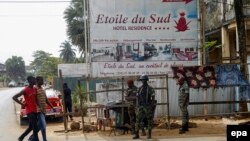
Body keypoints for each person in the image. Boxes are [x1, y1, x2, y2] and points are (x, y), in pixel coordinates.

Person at [12, 76, 39, 141]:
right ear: (30, 81)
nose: (35, 81)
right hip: (29, 111)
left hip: (35, 110)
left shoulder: (35, 89)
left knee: (30, 127)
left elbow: (36, 99)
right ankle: (36, 139)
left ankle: (21, 137)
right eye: (34, 80)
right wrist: (22, 104)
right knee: (35, 127)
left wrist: (40, 107)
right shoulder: (25, 90)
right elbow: (14, 97)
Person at [28, 76, 55, 141]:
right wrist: (38, 107)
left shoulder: (42, 89)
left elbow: (46, 99)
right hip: (39, 111)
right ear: (37, 81)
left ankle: (32, 138)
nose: (42, 82)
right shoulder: (35, 89)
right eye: (41, 80)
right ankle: (44, 139)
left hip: (44, 110)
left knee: (40, 126)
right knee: (43, 125)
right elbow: (33, 100)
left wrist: (52, 107)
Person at [133, 75, 156, 139]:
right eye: (142, 80)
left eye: (144, 80)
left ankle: (149, 134)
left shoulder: (150, 89)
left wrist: (151, 106)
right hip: (140, 106)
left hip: (147, 106)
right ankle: (136, 134)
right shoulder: (139, 88)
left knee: (149, 120)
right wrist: (137, 105)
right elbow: (137, 97)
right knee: (138, 120)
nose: (143, 81)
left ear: (146, 80)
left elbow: (153, 98)